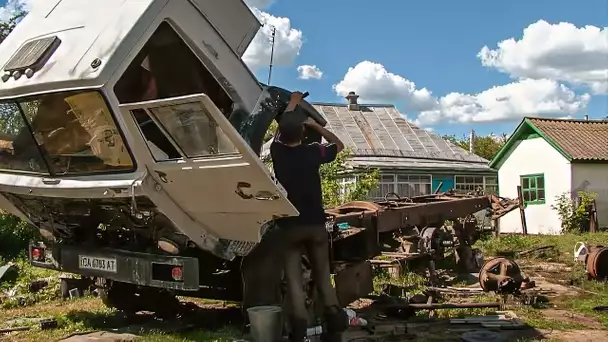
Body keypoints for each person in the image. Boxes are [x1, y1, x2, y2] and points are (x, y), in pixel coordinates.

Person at [270, 91, 348, 342]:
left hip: (289, 227)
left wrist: (291, 103)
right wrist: (315, 125)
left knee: (294, 283)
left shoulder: (276, 152)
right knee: (324, 279)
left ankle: (298, 334)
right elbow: (339, 145)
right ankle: (335, 330)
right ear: (303, 134)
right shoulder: (313, 153)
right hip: (315, 225)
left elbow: (279, 134)